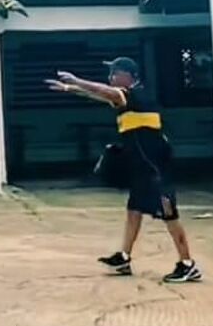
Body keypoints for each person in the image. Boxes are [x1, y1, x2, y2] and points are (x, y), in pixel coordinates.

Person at [47, 57, 202, 282]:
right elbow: (102, 94)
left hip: (154, 166)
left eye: (115, 73)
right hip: (141, 166)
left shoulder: (134, 95)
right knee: (134, 210)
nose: (110, 77)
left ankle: (187, 264)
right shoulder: (126, 98)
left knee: (169, 214)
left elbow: (105, 92)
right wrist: (70, 88)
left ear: (129, 76)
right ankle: (124, 256)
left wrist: (77, 81)